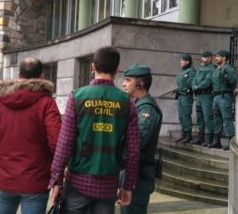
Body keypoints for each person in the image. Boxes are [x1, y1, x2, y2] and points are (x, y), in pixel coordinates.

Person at [48, 46, 140, 214]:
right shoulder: (128, 103)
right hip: (108, 185)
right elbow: (133, 151)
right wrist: (128, 185)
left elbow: (65, 143)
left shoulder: (77, 97)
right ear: (117, 69)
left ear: (93, 67)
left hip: (77, 181)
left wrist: (56, 180)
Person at [0, 57, 62, 214]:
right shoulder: (47, 102)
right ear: (41, 76)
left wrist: (3, 149)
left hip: (5, 181)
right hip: (35, 181)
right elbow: (57, 143)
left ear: (18, 76)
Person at [120, 63, 162, 214]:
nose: (123, 83)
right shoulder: (136, 105)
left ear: (140, 84)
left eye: (128, 79)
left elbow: (135, 144)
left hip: (138, 178)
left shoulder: (146, 109)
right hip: (131, 176)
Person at [209, 50, 238, 150]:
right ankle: (217, 141)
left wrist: (226, 75)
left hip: (224, 96)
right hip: (216, 97)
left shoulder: (228, 68)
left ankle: (231, 143)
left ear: (224, 58)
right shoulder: (216, 69)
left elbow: (234, 80)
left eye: (218, 56)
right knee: (217, 119)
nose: (216, 58)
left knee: (227, 119)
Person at [191, 51, 216, 146]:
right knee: (199, 117)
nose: (203, 59)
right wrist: (193, 86)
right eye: (202, 57)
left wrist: (197, 87)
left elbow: (208, 81)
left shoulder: (212, 68)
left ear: (210, 58)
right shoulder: (200, 69)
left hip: (207, 96)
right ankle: (200, 138)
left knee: (208, 117)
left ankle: (210, 139)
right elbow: (194, 80)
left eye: (205, 57)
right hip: (199, 96)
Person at [174, 54, 195, 143]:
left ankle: (188, 135)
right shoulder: (181, 72)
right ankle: (184, 134)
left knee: (186, 115)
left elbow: (192, 83)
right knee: (181, 116)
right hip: (180, 96)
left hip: (187, 96)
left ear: (187, 61)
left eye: (182, 60)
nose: (180, 62)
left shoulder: (191, 71)